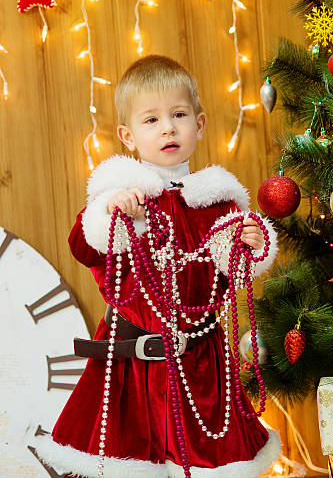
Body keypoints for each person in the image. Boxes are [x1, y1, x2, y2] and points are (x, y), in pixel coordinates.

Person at [36, 55, 280, 478]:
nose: (167, 128)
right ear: (127, 136)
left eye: (179, 115)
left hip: (202, 364)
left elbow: (226, 278)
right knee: (133, 465)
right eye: (151, 120)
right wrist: (111, 213)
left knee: (209, 466)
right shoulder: (122, 199)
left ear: (199, 125)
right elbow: (84, 247)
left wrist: (249, 245)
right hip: (134, 368)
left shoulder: (217, 203)